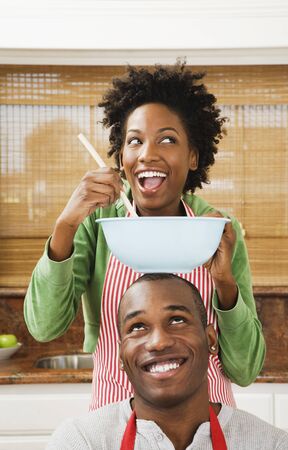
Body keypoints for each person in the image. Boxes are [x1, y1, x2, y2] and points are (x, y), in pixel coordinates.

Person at [24, 63, 265, 410]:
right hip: (115, 417)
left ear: (193, 155)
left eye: (167, 139)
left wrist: (225, 282)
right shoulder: (97, 223)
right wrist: (65, 226)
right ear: (122, 157)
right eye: (134, 141)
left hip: (205, 421)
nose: (147, 154)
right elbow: (44, 327)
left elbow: (245, 370)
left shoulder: (218, 228)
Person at [46, 274, 287, 450]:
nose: (158, 342)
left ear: (211, 339)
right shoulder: (81, 441)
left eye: (177, 320)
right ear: (121, 356)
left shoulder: (270, 444)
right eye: (137, 327)